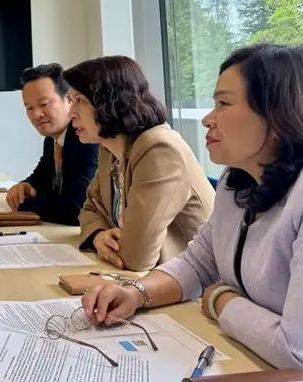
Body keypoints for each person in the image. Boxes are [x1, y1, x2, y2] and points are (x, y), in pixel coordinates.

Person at [81, 44, 303, 369]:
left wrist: (219, 299)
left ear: (277, 113)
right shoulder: (236, 181)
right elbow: (199, 262)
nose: (207, 119)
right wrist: (136, 292)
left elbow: (296, 351)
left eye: (223, 104)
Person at [66, 56, 214, 271]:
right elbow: (89, 208)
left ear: (109, 101)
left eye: (79, 100)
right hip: (147, 280)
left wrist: (114, 240)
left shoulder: (158, 149)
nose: (71, 113)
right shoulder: (110, 146)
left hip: (192, 289)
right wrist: (98, 236)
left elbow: (136, 257)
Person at [5, 64, 99, 225]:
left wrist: (24, 203)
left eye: (44, 104)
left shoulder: (86, 140)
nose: (36, 114)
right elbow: (41, 176)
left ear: (69, 100)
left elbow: (75, 208)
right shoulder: (53, 139)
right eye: (29, 108)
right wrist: (25, 186)